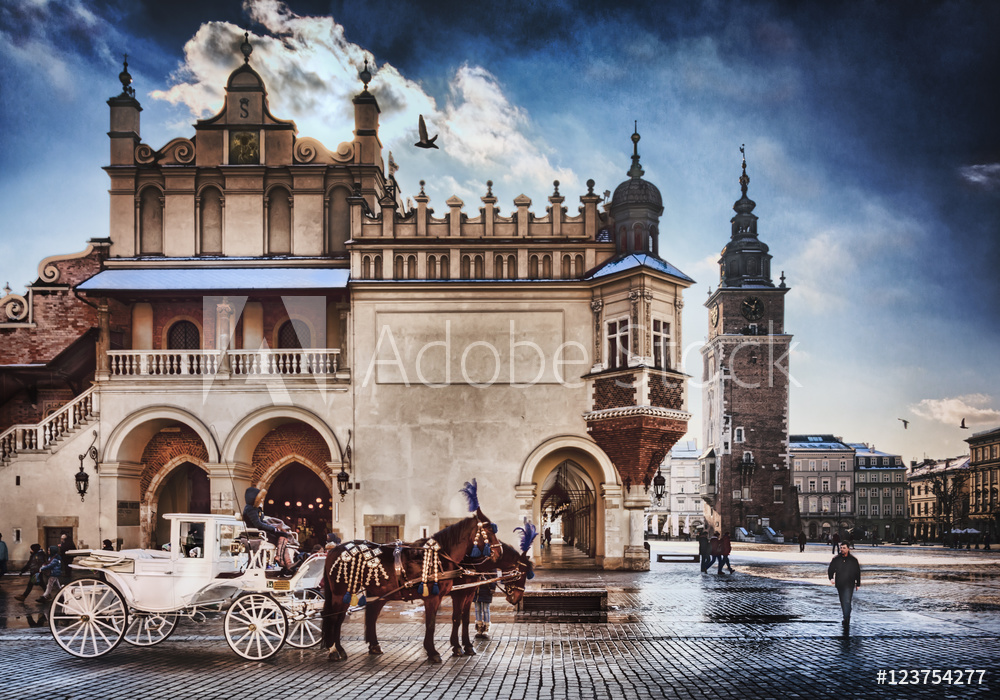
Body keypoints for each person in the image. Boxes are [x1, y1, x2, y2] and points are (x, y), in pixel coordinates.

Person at [241, 486, 294, 575]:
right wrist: (273, 529)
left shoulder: (254, 509)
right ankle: (282, 559)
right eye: (260, 498)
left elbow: (261, 522)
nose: (262, 500)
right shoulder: (250, 509)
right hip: (257, 534)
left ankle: (286, 562)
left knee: (282, 535)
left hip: (260, 532)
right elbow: (258, 524)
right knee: (282, 535)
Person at [828, 542, 861, 634]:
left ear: (848, 549)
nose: (842, 549)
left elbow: (857, 572)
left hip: (849, 584)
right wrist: (831, 578)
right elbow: (831, 569)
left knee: (847, 600)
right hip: (840, 584)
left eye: (844, 548)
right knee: (843, 601)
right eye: (841, 548)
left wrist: (858, 583)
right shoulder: (836, 559)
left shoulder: (853, 560)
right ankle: (846, 615)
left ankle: (846, 618)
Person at [473, 572, 497, 640]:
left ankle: (486, 629)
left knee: (486, 609)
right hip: (477, 590)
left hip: (486, 589)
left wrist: (492, 587)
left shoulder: (491, 566)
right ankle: (479, 628)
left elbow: (494, 576)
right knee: (477, 609)